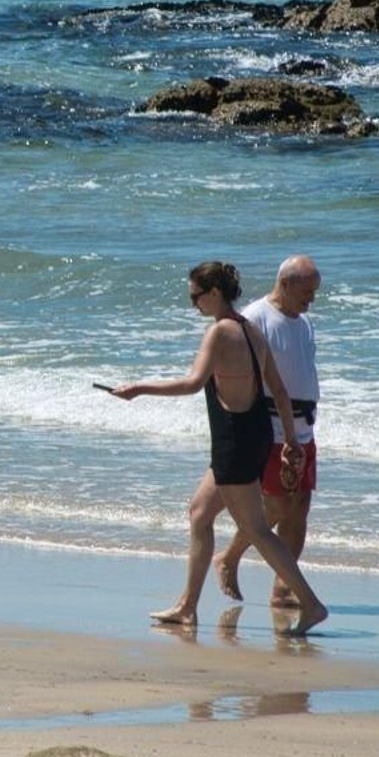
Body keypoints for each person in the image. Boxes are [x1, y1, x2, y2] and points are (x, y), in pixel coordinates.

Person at [108, 261, 328, 637]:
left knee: (257, 529)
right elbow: (277, 387)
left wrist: (138, 389)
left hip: (235, 442)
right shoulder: (252, 330)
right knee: (199, 513)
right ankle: (187, 607)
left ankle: (311, 604)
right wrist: (290, 439)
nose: (193, 303)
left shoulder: (221, 333)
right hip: (256, 436)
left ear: (214, 293)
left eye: (196, 296)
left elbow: (194, 384)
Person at [217, 256, 322, 608]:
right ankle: (229, 557)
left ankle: (282, 587)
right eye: (307, 291)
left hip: (304, 429)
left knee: (299, 510)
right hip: (275, 429)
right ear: (286, 283)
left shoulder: (305, 322)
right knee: (274, 508)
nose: (312, 298)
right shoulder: (256, 317)